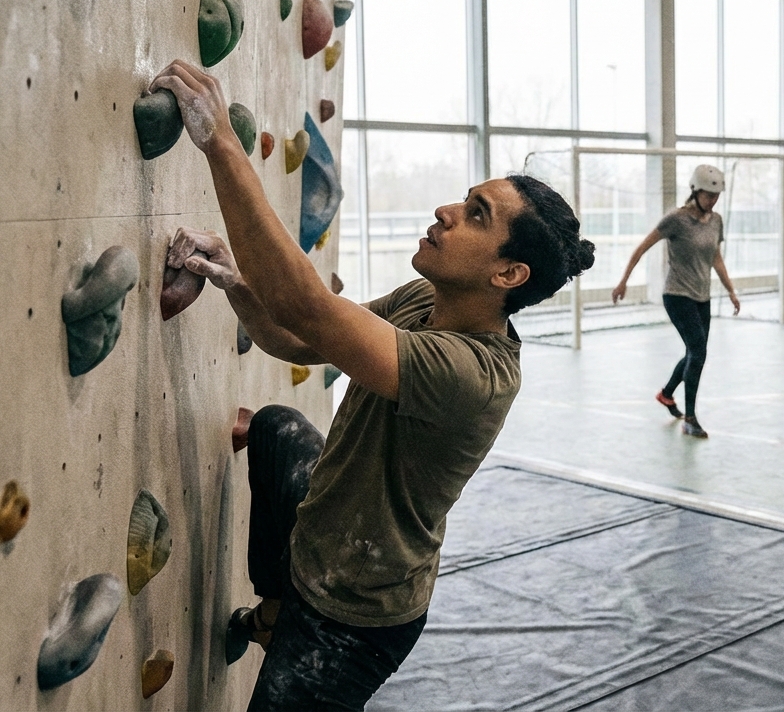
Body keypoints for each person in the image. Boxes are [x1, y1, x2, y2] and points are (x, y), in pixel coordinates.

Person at [150, 60, 594, 710]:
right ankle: (274, 611)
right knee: (277, 429)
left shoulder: (472, 374)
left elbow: (308, 308)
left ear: (508, 274)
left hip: (355, 616)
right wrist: (232, 279)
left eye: (475, 215)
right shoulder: (424, 297)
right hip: (322, 531)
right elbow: (301, 339)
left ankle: (280, 623)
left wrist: (221, 144)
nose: (445, 211)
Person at [610, 164, 740, 439]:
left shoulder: (716, 221)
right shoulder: (676, 219)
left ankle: (667, 394)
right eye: (708, 195)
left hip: (702, 296)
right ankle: (690, 419)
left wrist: (730, 290)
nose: (712, 201)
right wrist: (623, 281)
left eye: (716, 196)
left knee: (695, 351)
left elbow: (716, 257)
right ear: (695, 191)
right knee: (698, 351)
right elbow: (642, 248)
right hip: (677, 295)